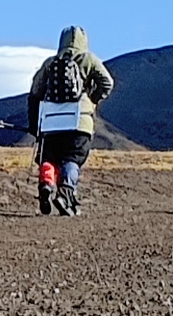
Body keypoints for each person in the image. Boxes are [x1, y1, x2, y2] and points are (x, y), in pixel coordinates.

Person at [25, 27, 116, 215]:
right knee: (73, 158)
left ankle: (47, 184)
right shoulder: (89, 60)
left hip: (51, 122)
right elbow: (107, 82)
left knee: (49, 158)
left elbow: (35, 93)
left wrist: (35, 125)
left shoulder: (50, 63)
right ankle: (66, 192)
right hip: (79, 122)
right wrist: (91, 99)